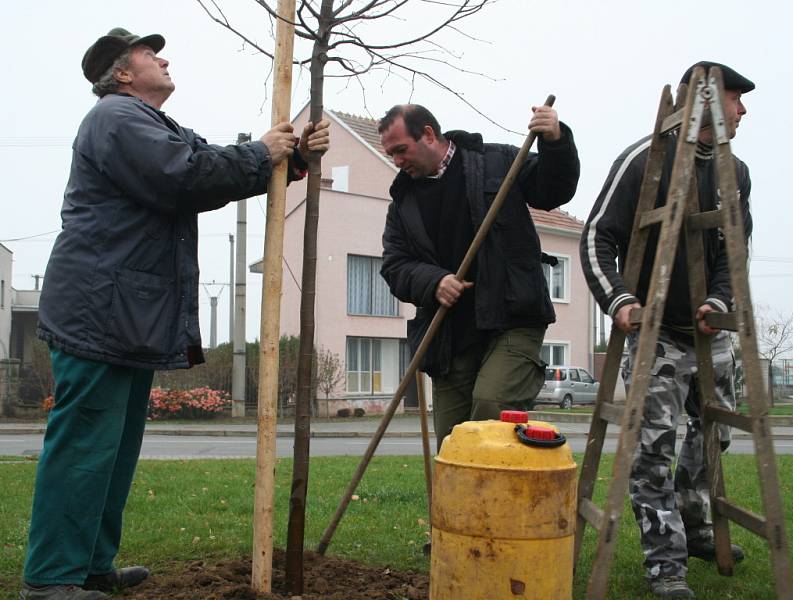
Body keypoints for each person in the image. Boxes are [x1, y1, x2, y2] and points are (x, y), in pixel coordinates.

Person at [20, 28, 330, 600]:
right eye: (148, 53)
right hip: (98, 310)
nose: (162, 58)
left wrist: (293, 157)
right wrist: (262, 151)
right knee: (86, 445)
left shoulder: (154, 124)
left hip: (121, 314)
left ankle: (89, 567)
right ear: (122, 73)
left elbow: (210, 163)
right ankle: (51, 578)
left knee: (112, 450)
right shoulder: (117, 117)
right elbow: (183, 176)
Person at [579, 61, 753, 599]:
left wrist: (718, 299)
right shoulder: (642, 161)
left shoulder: (735, 171)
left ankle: (697, 526)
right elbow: (595, 238)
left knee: (713, 436)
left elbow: (735, 249)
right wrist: (620, 300)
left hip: (710, 334)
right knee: (652, 452)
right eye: (734, 99)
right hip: (656, 336)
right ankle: (665, 564)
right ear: (703, 102)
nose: (742, 110)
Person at [379, 103, 580, 449]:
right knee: (452, 440)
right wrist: (434, 281)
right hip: (450, 335)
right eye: (391, 154)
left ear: (428, 134)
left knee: (491, 409)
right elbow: (395, 265)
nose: (396, 161)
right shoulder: (402, 204)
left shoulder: (497, 162)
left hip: (512, 317)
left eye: (401, 150)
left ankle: (499, 503)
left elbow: (553, 191)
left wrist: (555, 141)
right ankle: (456, 506)